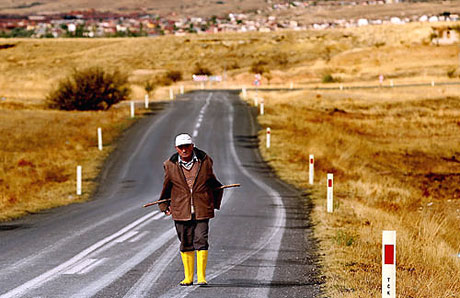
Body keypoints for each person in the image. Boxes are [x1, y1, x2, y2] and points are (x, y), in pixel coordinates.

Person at [158, 133, 223, 286]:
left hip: (201, 208)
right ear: (176, 149)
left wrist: (214, 201)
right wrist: (164, 205)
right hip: (181, 210)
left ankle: (201, 277)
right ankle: (188, 278)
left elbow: (213, 182)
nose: (184, 150)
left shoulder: (205, 160)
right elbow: (167, 187)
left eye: (187, 146)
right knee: (186, 242)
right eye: (181, 147)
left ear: (192, 146)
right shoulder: (169, 164)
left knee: (201, 240)